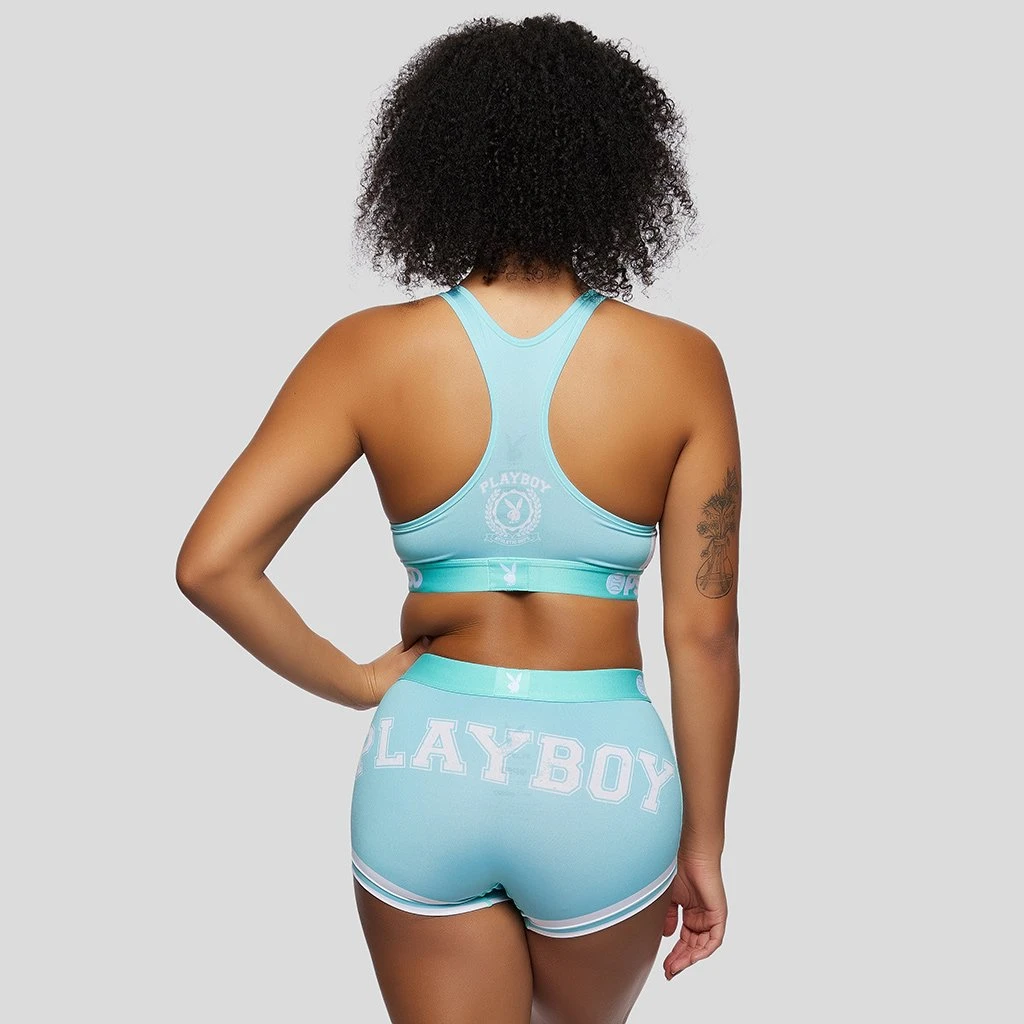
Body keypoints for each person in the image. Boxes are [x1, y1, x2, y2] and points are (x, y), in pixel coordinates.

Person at [176, 13, 740, 1024]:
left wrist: (355, 680)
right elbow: (703, 633)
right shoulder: (681, 363)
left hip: (426, 759)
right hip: (604, 778)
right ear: (618, 166)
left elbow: (212, 563)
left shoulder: (366, 351)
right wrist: (702, 841)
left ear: (432, 162)